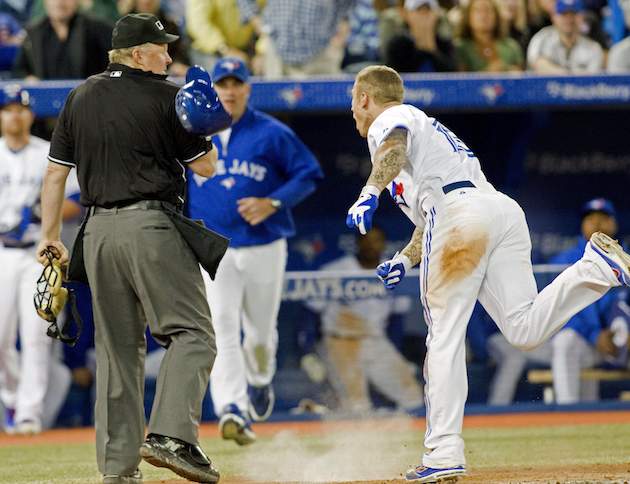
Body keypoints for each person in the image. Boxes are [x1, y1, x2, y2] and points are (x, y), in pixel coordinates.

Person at [346, 65, 630, 482]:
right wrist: (406, 260)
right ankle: (595, 268)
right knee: (523, 329)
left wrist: (368, 191)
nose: (352, 110)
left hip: (461, 214)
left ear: (365, 98)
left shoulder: (389, 117)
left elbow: (395, 148)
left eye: (354, 101)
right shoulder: (423, 130)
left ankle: (442, 452)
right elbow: (432, 216)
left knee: (443, 335)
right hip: (496, 211)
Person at [38, 13, 227, 484]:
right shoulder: (168, 96)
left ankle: (118, 471)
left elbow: (56, 174)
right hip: (150, 227)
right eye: (162, 47)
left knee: (117, 353)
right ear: (139, 53)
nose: (169, 54)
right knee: (192, 333)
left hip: (95, 233)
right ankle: (170, 436)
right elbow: (205, 168)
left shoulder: (79, 96)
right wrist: (207, 120)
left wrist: (49, 237)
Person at [187, 57, 323, 445]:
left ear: (248, 88)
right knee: (221, 327)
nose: (229, 90)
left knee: (260, 334)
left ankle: (260, 381)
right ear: (212, 89)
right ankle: (233, 407)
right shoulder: (192, 132)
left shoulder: (271, 132)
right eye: (222, 84)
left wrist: (274, 202)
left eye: (236, 83)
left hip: (264, 243)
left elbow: (308, 173)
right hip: (214, 247)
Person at [0, 86, 79, 435]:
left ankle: (30, 413)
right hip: (3, 251)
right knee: (1, 338)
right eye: (8, 109)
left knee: (36, 336)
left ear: (31, 115)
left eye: (21, 109)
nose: (15, 115)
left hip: (39, 255)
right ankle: (13, 400)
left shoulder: (48, 153)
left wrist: (41, 214)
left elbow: (77, 203)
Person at [306, 227, 424, 413]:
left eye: (377, 240)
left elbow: (397, 320)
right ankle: (358, 440)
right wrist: (308, 351)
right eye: (366, 240)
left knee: (413, 396)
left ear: (384, 244)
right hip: (339, 340)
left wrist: (398, 352)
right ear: (358, 243)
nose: (371, 245)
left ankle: (404, 435)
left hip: (376, 340)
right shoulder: (336, 270)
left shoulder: (393, 270)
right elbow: (311, 313)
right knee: (356, 406)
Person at [546, 198, 622, 404]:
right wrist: (595, 335)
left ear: (614, 223)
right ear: (582, 224)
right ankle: (567, 410)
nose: (596, 223)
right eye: (590, 218)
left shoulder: (625, 260)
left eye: (603, 218)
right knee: (564, 341)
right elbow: (558, 311)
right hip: (587, 344)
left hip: (620, 342)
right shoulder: (564, 261)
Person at [12, 0, 112, 80]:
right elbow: (19, 71)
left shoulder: (99, 29)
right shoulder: (33, 33)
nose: (60, 2)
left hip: (88, 99)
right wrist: (29, 79)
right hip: (46, 100)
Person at [527, 0, 604, 74]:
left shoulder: (593, 48)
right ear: (553, 17)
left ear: (581, 17)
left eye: (573, 14)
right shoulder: (541, 38)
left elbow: (592, 79)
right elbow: (537, 64)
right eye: (563, 14)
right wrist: (567, 75)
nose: (569, 19)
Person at [384, 0, 456, 73]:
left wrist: (432, 49)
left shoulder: (445, 44)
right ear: (406, 14)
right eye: (418, 10)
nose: (424, 15)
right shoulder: (397, 45)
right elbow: (393, 77)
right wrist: (421, 47)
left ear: (436, 15)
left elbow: (452, 76)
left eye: (428, 10)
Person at [454, 0, 524, 72]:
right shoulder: (460, 48)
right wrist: (488, 73)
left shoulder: (511, 46)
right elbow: (460, 80)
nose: (484, 15)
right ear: (468, 16)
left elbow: (521, 76)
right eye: (478, 10)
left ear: (496, 15)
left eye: (488, 10)